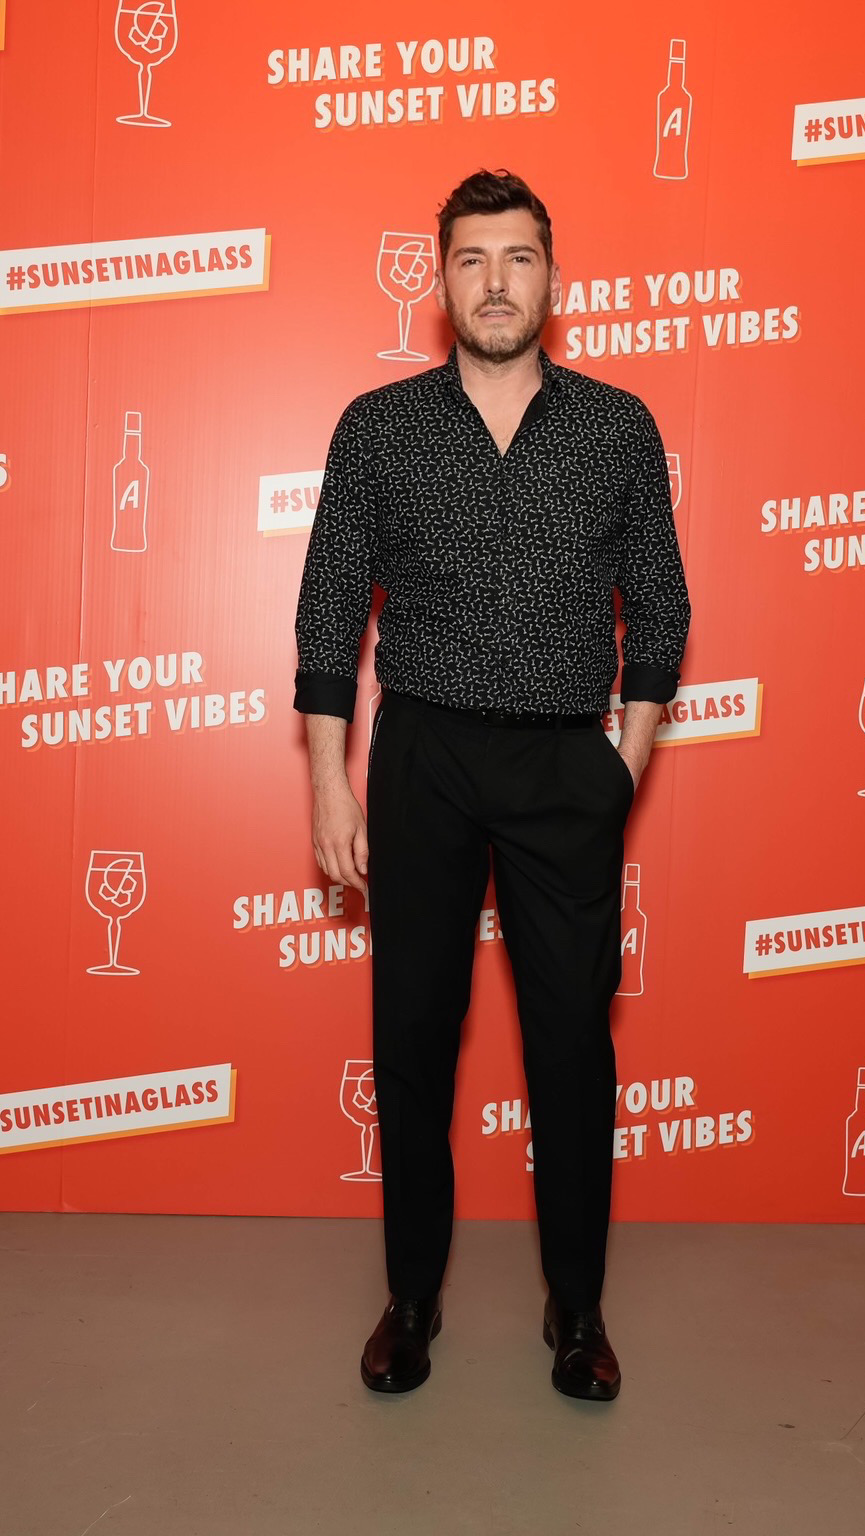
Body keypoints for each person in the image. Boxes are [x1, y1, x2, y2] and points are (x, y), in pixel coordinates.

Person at [292, 169, 691, 1401]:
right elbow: (327, 613)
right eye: (472, 259)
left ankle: (578, 1310)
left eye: (518, 258)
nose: (497, 282)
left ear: (552, 280)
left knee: (572, 1045)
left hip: (566, 764)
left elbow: (662, 608)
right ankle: (411, 1300)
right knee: (412, 1036)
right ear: (442, 282)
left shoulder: (618, 426)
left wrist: (619, 767)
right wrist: (330, 783)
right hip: (422, 757)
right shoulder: (378, 427)